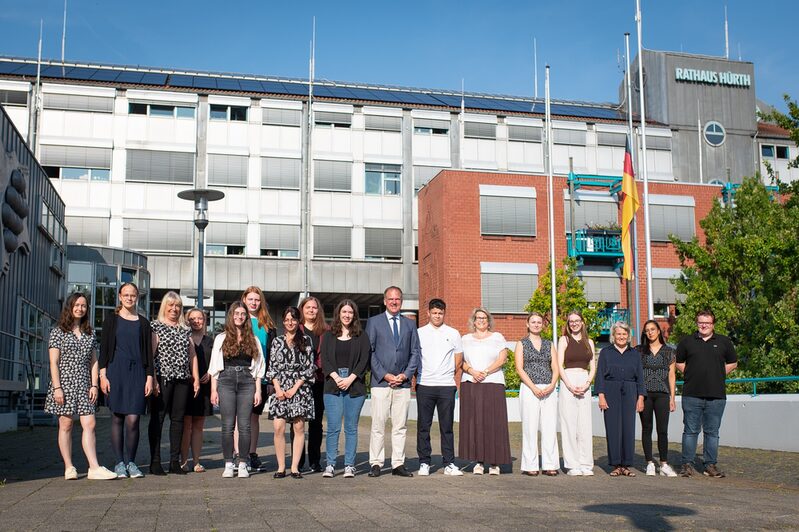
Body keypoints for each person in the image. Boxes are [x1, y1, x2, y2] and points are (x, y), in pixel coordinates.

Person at [46, 293, 116, 480]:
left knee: (90, 423)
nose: (80, 308)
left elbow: (94, 361)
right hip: (65, 382)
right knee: (66, 424)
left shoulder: (89, 332)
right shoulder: (58, 331)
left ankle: (94, 467)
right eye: (77, 305)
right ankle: (69, 467)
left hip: (85, 383)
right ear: (70, 307)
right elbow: (54, 362)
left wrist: (94, 385)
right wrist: (57, 388)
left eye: (84, 305)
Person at [99, 282, 154, 479]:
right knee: (117, 417)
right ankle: (119, 463)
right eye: (126, 295)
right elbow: (104, 349)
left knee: (134, 418)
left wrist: (150, 377)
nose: (130, 298)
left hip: (138, 372)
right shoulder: (111, 320)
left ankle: (131, 462)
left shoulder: (144, 322)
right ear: (120, 297)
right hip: (116, 371)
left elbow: (148, 352)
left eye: (133, 295)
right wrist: (102, 375)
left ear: (137, 297)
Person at [366, 286, 421, 478]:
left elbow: (415, 352)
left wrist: (406, 375)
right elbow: (369, 352)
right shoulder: (374, 322)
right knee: (378, 425)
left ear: (402, 301)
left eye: (397, 299)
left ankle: (398, 464)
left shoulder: (410, 324)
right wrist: (385, 374)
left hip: (403, 384)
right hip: (381, 383)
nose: (394, 302)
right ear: (384, 301)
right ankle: (376, 463)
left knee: (400, 426)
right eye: (391, 299)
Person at [676, 309, 737, 478]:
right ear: (697, 323)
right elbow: (679, 363)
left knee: (712, 432)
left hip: (716, 396)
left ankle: (710, 465)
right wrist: (691, 373)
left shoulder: (724, 342)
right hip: (691, 395)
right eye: (701, 322)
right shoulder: (687, 342)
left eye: (707, 323)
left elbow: (733, 363)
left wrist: (718, 373)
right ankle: (687, 464)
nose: (704, 325)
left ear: (713, 325)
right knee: (690, 431)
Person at [209, 302, 265, 478]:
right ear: (231, 316)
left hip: (248, 382)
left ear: (246, 318)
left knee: (245, 426)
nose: (239, 317)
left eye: (243, 314)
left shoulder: (253, 339)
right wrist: (213, 390)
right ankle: (228, 463)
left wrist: (258, 391)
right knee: (227, 425)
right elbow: (214, 366)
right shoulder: (221, 338)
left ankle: (242, 463)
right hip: (226, 380)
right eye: (236, 313)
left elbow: (259, 367)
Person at [148, 291, 200, 475]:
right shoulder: (155, 326)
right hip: (163, 379)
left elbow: (192, 355)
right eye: (170, 305)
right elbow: (151, 356)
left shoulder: (185, 329)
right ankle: (155, 461)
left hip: (182, 380)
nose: (174, 308)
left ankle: (174, 461)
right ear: (164, 306)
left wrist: (195, 379)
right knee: (158, 419)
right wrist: (153, 379)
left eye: (177, 305)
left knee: (178, 420)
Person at [320, 299, 370, 478]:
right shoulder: (328, 336)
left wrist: (349, 379)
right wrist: (336, 377)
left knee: (351, 427)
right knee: (333, 427)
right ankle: (330, 464)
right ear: (338, 314)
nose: (347, 315)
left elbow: (365, 360)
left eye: (350, 312)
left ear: (354, 315)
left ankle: (349, 465)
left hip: (354, 388)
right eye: (344, 312)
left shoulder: (361, 336)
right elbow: (324, 360)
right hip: (333, 387)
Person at [459, 307, 512, 475]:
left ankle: (495, 463)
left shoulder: (497, 337)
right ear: (473, 321)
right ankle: (479, 462)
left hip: (493, 383)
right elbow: (460, 361)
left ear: (489, 321)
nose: (481, 320)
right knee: (475, 423)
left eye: (484, 317)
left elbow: (502, 358)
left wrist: (486, 372)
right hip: (471, 383)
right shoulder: (465, 339)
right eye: (478, 317)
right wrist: (473, 372)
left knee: (494, 422)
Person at [266, 306, 316, 479]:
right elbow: (272, 367)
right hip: (280, 387)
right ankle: (281, 467)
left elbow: (309, 368)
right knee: (278, 427)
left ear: (298, 320)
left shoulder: (307, 340)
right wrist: (278, 389)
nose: (290, 322)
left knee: (299, 426)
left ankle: (295, 467)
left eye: (293, 319)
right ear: (283, 321)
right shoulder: (277, 341)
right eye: (287, 319)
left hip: (300, 388)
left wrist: (295, 388)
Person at [416, 298, 464, 476]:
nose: (437, 316)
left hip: (446, 386)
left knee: (447, 427)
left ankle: (449, 463)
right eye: (434, 313)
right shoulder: (419, 333)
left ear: (444, 314)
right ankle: (424, 462)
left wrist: (450, 372)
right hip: (425, 384)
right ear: (428, 313)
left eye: (440, 313)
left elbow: (458, 356)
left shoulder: (453, 333)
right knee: (423, 426)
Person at [596, 322, 646, 477]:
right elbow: (600, 376)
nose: (621, 337)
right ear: (613, 336)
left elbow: (640, 377)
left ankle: (626, 465)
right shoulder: (606, 352)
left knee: (628, 428)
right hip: (611, 391)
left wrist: (641, 397)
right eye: (618, 334)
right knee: (613, 428)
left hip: (630, 391)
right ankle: (616, 465)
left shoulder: (635, 354)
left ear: (628, 336)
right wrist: (601, 395)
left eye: (624, 334)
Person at [514, 312, 560, 477]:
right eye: (533, 322)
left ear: (543, 325)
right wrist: (533, 387)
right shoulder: (522, 344)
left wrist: (552, 384)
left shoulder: (549, 344)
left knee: (549, 427)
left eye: (539, 322)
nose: (536, 324)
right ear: (527, 324)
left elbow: (555, 367)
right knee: (530, 427)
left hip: (549, 389)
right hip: (529, 389)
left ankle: (550, 464)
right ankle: (530, 464)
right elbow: (519, 368)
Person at [239, 286, 276, 471]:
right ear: (244, 300)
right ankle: (239, 455)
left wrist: (269, 380)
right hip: (241, 377)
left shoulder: (268, 326)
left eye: (257, 299)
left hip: (260, 379)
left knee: (254, 418)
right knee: (240, 418)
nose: (253, 302)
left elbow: (272, 355)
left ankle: (252, 453)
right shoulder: (238, 320)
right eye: (250, 299)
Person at [557, 310, 597, 476]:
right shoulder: (564, 340)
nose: (574, 323)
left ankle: (585, 463)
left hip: (584, 380)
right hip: (568, 379)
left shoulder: (590, 342)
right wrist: (569, 385)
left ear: (582, 322)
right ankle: (572, 464)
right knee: (569, 425)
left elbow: (593, 366)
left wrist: (588, 383)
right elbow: (559, 365)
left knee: (585, 425)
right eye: (571, 321)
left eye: (577, 320)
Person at [638, 319, 678, 477]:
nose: (650, 332)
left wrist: (672, 398)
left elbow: (672, 376)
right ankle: (649, 462)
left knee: (663, 430)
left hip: (662, 394)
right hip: (646, 394)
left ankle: (663, 464)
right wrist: (638, 396)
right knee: (646, 428)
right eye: (647, 330)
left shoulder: (669, 351)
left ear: (659, 331)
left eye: (653, 329)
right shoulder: (639, 351)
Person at [180, 308, 214, 473]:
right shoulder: (183, 338)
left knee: (199, 426)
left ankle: (196, 462)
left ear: (204, 320)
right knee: (186, 425)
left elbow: (217, 362)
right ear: (187, 320)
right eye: (192, 318)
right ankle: (183, 461)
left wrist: (210, 372)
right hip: (187, 387)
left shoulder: (211, 341)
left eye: (199, 318)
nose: (196, 321)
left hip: (205, 387)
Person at [297, 296, 328, 472]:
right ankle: (298, 461)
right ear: (302, 309)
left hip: (318, 381)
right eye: (307, 307)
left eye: (314, 308)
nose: (311, 310)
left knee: (316, 423)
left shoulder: (325, 330)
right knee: (298, 422)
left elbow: (326, 354)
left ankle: (315, 460)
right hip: (299, 384)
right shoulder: (296, 329)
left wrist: (317, 367)